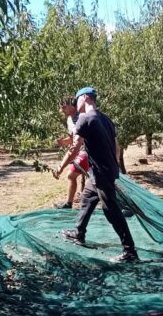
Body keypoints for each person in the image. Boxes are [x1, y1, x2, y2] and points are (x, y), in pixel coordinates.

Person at [54, 87, 139, 263]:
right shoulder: (106, 119)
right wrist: (114, 165)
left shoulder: (85, 118)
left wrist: (61, 167)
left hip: (102, 173)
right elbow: (116, 146)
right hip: (104, 170)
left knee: (111, 210)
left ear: (84, 98)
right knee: (87, 198)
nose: (76, 104)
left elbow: (75, 148)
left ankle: (129, 251)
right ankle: (79, 233)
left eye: (77, 100)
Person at [53, 97, 89, 209]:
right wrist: (63, 141)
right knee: (73, 176)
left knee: (72, 175)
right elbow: (74, 138)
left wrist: (60, 167)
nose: (61, 110)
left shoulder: (81, 118)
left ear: (72, 106)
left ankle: (73, 204)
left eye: (63, 107)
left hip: (88, 151)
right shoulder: (69, 119)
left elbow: (75, 146)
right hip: (81, 150)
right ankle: (69, 203)